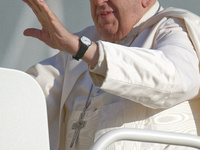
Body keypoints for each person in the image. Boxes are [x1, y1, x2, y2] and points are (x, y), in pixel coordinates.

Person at [22, 0, 200, 149]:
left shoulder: (174, 28)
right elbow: (30, 94)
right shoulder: (80, 45)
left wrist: (86, 50)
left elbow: (174, 78)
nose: (98, 2)